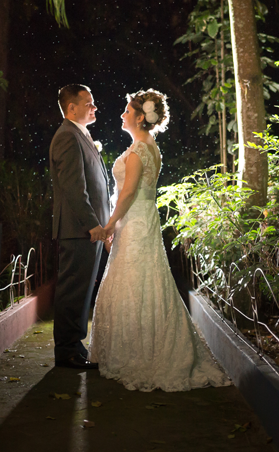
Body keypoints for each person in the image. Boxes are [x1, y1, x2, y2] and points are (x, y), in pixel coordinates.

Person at [89, 89, 230, 391]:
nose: (122, 115)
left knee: (133, 282)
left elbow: (128, 194)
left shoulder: (139, 151)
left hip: (134, 222)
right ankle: (148, 345)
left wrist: (109, 226)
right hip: (143, 220)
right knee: (148, 280)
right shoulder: (151, 148)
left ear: (141, 117)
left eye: (128, 111)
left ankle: (139, 353)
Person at [50, 84, 110, 369]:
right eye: (88, 103)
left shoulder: (81, 134)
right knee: (73, 290)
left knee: (82, 290)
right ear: (71, 108)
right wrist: (92, 225)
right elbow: (74, 187)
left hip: (89, 229)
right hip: (78, 230)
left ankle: (75, 346)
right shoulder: (67, 136)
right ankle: (66, 352)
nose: (94, 107)